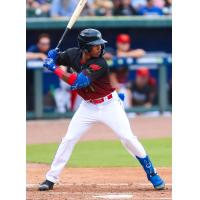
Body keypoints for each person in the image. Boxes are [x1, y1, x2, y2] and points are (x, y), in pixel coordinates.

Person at [38, 28, 165, 191]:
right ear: (85, 48)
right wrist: (53, 57)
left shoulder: (100, 63)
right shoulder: (72, 54)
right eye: (96, 45)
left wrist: (54, 68)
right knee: (68, 139)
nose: (100, 48)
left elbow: (78, 82)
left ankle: (152, 173)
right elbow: (58, 58)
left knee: (128, 138)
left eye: (100, 45)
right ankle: (50, 179)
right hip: (88, 106)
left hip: (109, 105)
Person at [109, 34, 146, 108]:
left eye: (126, 43)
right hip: (108, 88)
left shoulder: (129, 53)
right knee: (123, 92)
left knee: (126, 92)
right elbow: (112, 80)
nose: (124, 45)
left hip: (121, 86)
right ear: (117, 43)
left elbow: (142, 52)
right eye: (122, 43)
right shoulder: (112, 53)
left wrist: (125, 55)